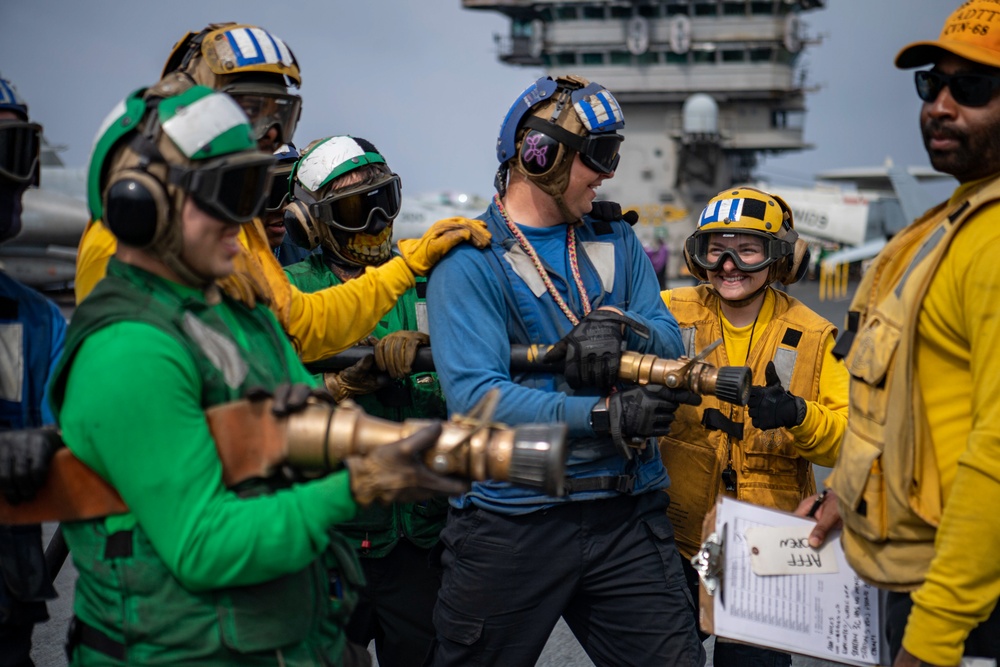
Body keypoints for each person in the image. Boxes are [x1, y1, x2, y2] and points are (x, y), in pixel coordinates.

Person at [50, 83, 469, 665]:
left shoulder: (243, 315)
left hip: (270, 631)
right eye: (224, 194)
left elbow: (281, 426)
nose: (246, 220)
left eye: (253, 193)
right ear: (140, 204)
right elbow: (203, 545)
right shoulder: (130, 347)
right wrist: (361, 481)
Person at [424, 74, 706, 667]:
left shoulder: (615, 238)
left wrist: (620, 324)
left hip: (626, 514)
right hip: (513, 521)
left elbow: (667, 333)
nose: (608, 172)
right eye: (598, 156)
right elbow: (477, 398)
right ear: (541, 154)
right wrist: (603, 415)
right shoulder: (470, 261)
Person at [74, 22, 490, 364]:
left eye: (279, 114)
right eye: (249, 110)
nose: (271, 134)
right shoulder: (127, 232)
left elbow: (298, 325)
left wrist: (406, 267)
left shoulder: (236, 227)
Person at [800, 3, 1000, 665]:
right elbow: (912, 404)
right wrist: (845, 495)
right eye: (930, 85)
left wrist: (933, 639)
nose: (939, 106)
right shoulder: (953, 222)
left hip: (971, 607)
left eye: (970, 88)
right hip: (929, 580)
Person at [659, 186, 848, 667]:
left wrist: (798, 415)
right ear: (697, 254)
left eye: (748, 250)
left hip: (762, 545)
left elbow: (850, 439)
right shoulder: (666, 310)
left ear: (780, 256)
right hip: (677, 538)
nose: (729, 265)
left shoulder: (814, 336)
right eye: (716, 249)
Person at [282, 135, 449, 666]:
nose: (377, 221)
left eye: (385, 200)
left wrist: (441, 352)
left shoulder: (432, 284)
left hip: (419, 543)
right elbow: (261, 412)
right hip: (328, 544)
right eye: (356, 209)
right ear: (313, 223)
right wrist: (341, 386)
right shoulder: (289, 295)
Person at [0, 75, 65, 667]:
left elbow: (74, 434)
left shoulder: (38, 321)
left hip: (8, 599)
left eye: (13, 155)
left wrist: (54, 439)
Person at [264, 143, 313, 266]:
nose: (284, 208)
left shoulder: (309, 254)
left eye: (292, 192)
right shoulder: (213, 261)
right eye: (273, 195)